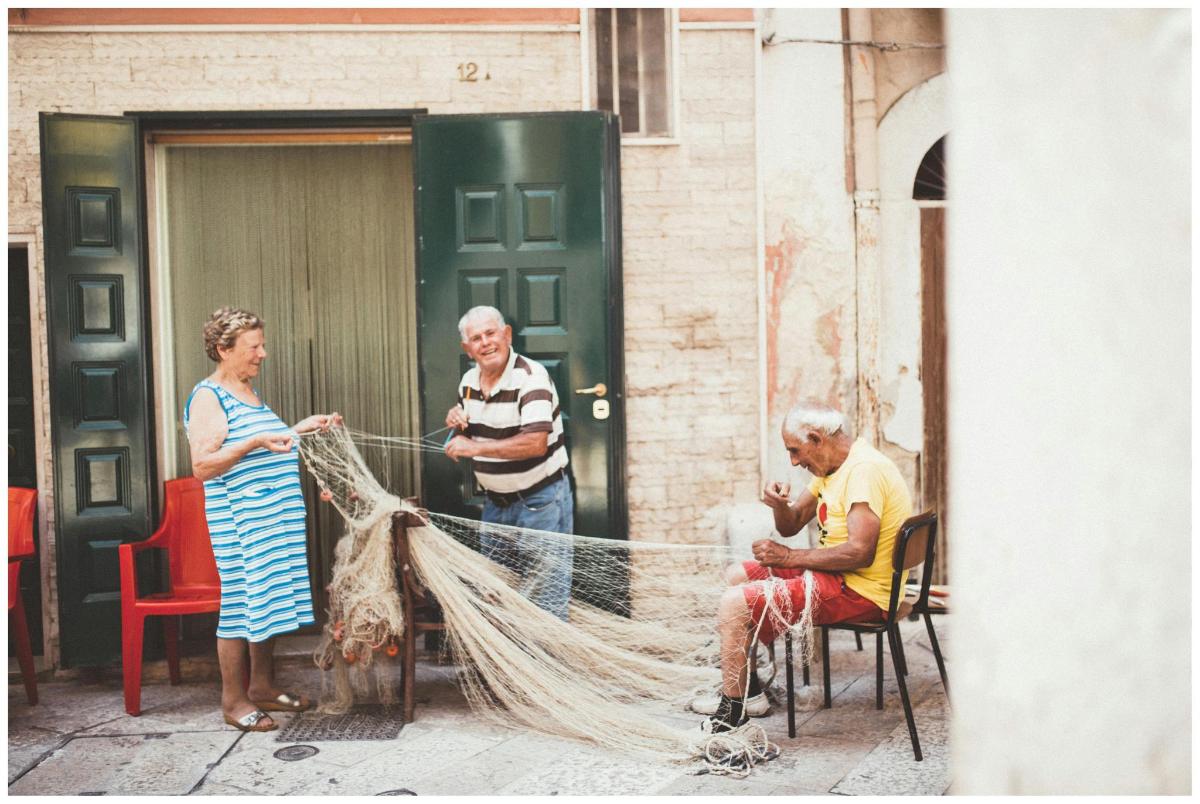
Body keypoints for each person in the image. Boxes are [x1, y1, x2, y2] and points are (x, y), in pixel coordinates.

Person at [696, 400, 913, 733]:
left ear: (817, 438)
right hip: (837, 577)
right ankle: (748, 689)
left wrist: (787, 558)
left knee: (735, 602)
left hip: (860, 592)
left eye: (796, 451)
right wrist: (779, 505)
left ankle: (730, 713)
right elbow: (791, 524)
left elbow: (860, 553)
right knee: (736, 576)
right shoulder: (835, 467)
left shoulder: (862, 471)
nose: (795, 462)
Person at [184, 307, 342, 733]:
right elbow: (203, 466)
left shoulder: (248, 392)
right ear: (223, 349)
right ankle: (233, 700)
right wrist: (254, 439)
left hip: (274, 518)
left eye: (261, 345)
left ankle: (264, 687)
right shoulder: (208, 396)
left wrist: (301, 429)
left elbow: (264, 445)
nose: (263, 354)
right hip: (242, 521)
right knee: (240, 605)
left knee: (266, 601)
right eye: (254, 347)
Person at [444, 305, 574, 619]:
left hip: (540, 502)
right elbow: (470, 426)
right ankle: (510, 666)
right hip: (495, 505)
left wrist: (472, 447)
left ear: (507, 335)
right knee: (498, 591)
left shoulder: (532, 378)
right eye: (476, 338)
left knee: (545, 599)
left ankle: (543, 667)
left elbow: (535, 444)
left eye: (491, 333)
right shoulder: (468, 381)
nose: (486, 342)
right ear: (467, 348)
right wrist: (455, 418)